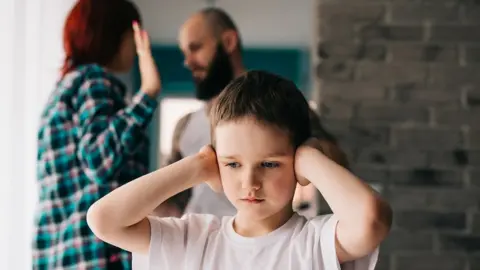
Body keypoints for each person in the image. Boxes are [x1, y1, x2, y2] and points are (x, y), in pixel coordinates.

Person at [87, 70, 392, 270]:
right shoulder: (195, 239)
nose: (250, 182)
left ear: (297, 161)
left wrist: (311, 159)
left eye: (269, 164)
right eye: (232, 164)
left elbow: (372, 219)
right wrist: (196, 166)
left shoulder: (315, 242)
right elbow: (104, 220)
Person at [160, 7, 348, 218]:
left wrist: (302, 153)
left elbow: (337, 162)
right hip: (202, 242)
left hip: (262, 240)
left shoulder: (279, 106)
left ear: (229, 42)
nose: (188, 62)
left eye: (195, 48)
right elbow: (171, 202)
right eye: (185, 53)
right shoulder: (184, 126)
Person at [32, 0, 161, 268]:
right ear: (121, 36)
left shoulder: (61, 92)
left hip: (62, 256)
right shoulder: (94, 82)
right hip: (97, 254)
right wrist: (148, 92)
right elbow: (98, 160)